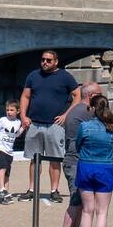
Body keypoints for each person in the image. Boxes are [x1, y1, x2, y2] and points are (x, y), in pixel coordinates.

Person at [19, 50, 81, 202]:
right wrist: (23, 116)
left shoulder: (65, 76)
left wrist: (67, 115)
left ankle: (54, 190)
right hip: (35, 123)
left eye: (48, 60)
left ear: (56, 62)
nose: (44, 63)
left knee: (55, 159)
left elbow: (78, 94)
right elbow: (25, 96)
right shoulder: (33, 76)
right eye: (43, 60)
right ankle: (32, 189)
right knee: (34, 159)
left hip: (55, 125)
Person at [74, 93, 113, 227]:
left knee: (87, 211)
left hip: (86, 166)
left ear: (93, 108)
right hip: (104, 167)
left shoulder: (84, 126)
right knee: (101, 212)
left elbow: (77, 144)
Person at [56, 81, 103, 227]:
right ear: (91, 96)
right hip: (75, 162)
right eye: (100, 94)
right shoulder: (85, 112)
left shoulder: (80, 110)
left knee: (81, 203)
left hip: (77, 161)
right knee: (76, 201)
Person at [0, 100, 22, 203]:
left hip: (10, 151)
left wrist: (23, 128)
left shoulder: (18, 122)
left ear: (18, 111)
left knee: (7, 174)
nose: (9, 112)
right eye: (7, 110)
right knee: (2, 167)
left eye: (12, 110)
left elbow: (16, 135)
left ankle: (6, 196)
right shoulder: (2, 120)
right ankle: (1, 189)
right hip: (0, 149)